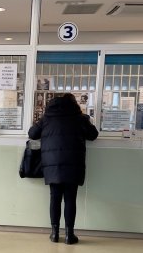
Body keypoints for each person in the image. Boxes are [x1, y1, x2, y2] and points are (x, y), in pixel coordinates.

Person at [28, 93, 98, 245]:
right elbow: (93, 135)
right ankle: (69, 235)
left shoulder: (47, 117)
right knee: (70, 198)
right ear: (74, 104)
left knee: (55, 197)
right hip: (73, 163)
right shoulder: (79, 117)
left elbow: (32, 134)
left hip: (52, 164)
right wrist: (87, 120)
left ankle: (54, 234)